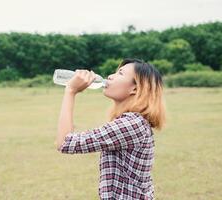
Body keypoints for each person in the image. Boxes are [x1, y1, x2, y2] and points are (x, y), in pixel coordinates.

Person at [55, 58, 166, 199]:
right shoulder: (132, 121)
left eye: (120, 73)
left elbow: (65, 143)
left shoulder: (131, 124)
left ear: (135, 88)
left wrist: (70, 91)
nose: (110, 76)